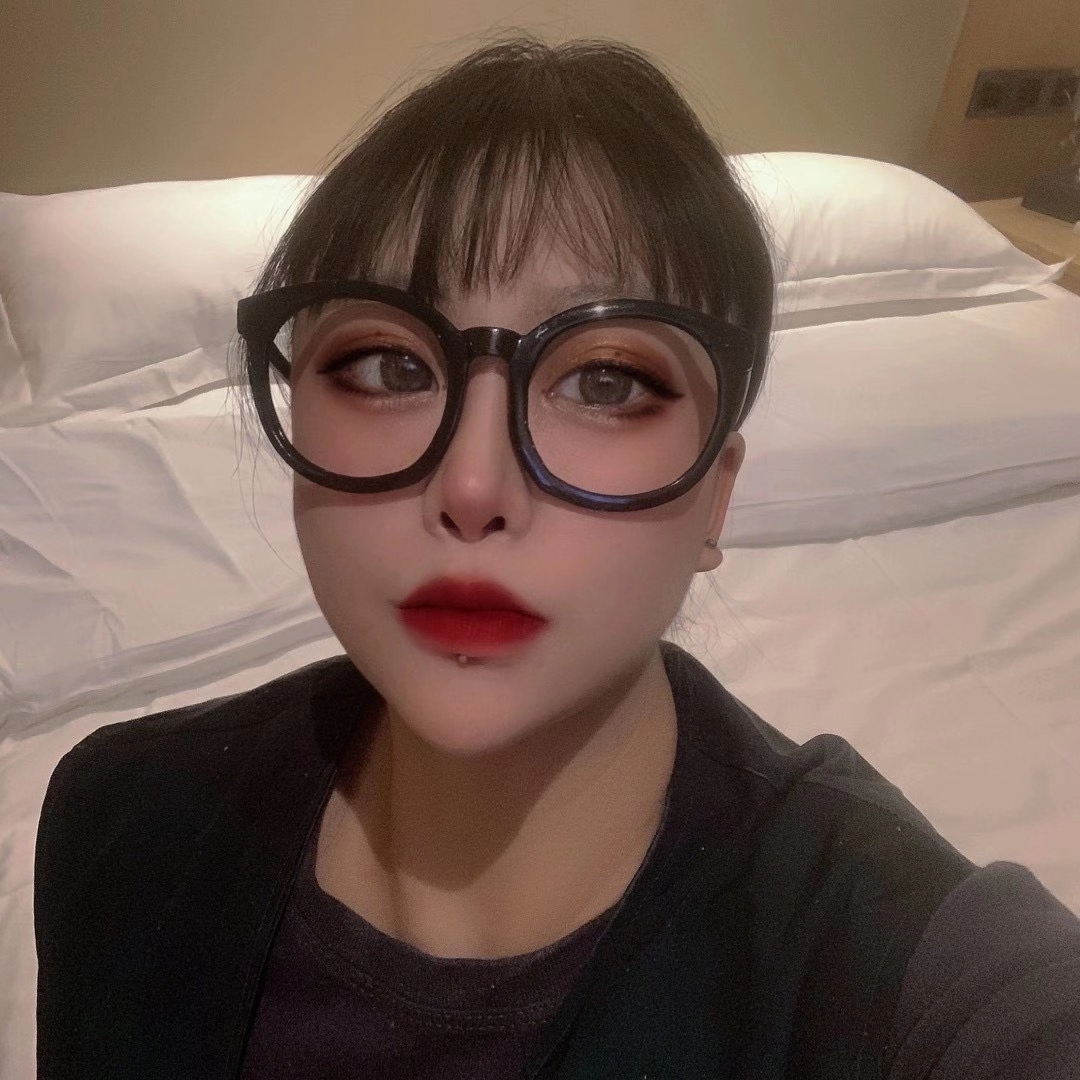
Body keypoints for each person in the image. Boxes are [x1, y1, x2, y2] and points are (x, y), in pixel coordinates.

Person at [34, 37, 1080, 1080]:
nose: (473, 486)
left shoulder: (908, 971)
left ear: (717, 496)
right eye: (390, 365)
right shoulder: (118, 825)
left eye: (606, 381)